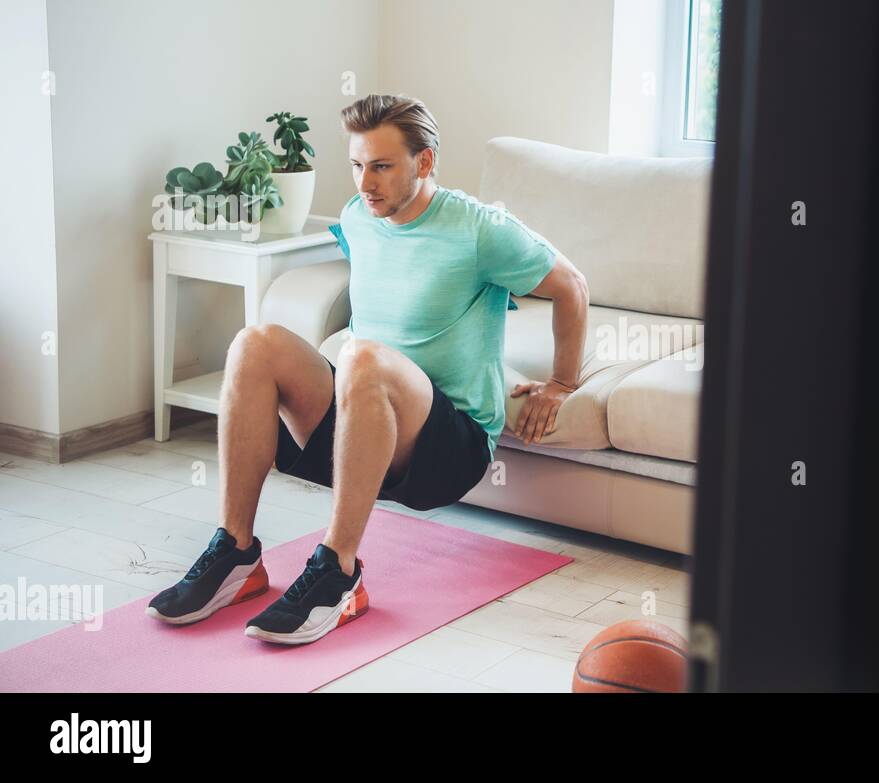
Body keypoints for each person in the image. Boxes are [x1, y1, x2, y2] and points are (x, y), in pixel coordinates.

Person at [146, 94, 590, 644]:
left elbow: (571, 285)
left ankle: (339, 571)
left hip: (447, 450)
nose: (364, 182)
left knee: (360, 353)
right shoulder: (359, 217)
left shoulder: (478, 228)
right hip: (367, 426)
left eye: (381, 166)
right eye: (357, 165)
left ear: (424, 162)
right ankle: (237, 554)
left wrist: (563, 381)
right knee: (255, 343)